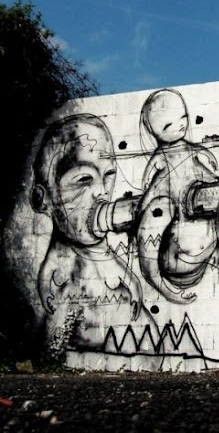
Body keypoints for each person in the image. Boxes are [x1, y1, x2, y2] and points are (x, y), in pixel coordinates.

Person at [31, 114, 157, 356]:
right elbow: (48, 274)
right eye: (84, 179)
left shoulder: (105, 252)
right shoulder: (59, 255)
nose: (101, 191)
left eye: (108, 175)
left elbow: (123, 274)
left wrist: (134, 288)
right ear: (43, 199)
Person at [136, 89, 219, 304]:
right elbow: (149, 182)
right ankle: (160, 284)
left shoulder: (192, 150)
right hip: (177, 261)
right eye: (167, 125)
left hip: (202, 250)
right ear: (153, 131)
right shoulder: (160, 158)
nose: (179, 125)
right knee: (158, 211)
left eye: (183, 117)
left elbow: (206, 161)